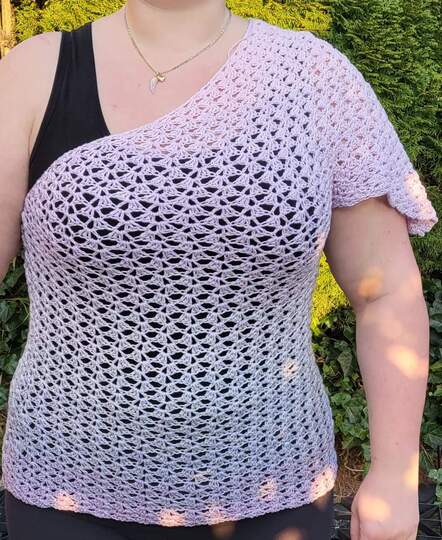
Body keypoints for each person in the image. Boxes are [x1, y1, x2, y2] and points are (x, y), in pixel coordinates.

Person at [0, 1, 438, 539]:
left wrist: (395, 475)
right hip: (62, 492)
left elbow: (387, 291)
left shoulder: (314, 78)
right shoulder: (32, 73)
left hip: (276, 494)